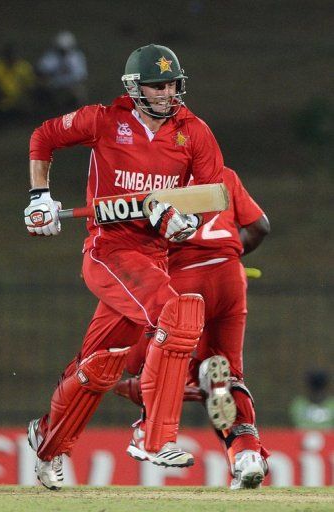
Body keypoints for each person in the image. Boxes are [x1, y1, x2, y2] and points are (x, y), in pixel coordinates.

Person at [23, 43, 225, 490]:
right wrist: (40, 195)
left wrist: (184, 221)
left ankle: (47, 444)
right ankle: (153, 436)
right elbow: (44, 137)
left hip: (152, 259)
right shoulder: (104, 119)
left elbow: (212, 196)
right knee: (180, 314)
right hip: (108, 250)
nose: (167, 92)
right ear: (135, 88)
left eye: (172, 83)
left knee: (100, 365)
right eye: (157, 85)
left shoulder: (194, 132)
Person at [114, 165, 271, 489]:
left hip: (181, 281)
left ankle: (196, 389)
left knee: (134, 369)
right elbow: (259, 227)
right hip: (229, 277)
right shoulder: (224, 174)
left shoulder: (154, 180)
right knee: (229, 376)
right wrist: (227, 255)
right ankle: (247, 456)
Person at [35, 31, 88, 114]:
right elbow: (41, 70)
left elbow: (80, 76)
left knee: (79, 91)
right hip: (52, 85)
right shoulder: (51, 56)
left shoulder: (76, 57)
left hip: (70, 86)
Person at [0, 42, 36, 125]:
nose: (10, 58)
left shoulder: (23, 67)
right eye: (8, 56)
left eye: (12, 56)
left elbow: (31, 85)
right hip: (0, 98)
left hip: (18, 99)